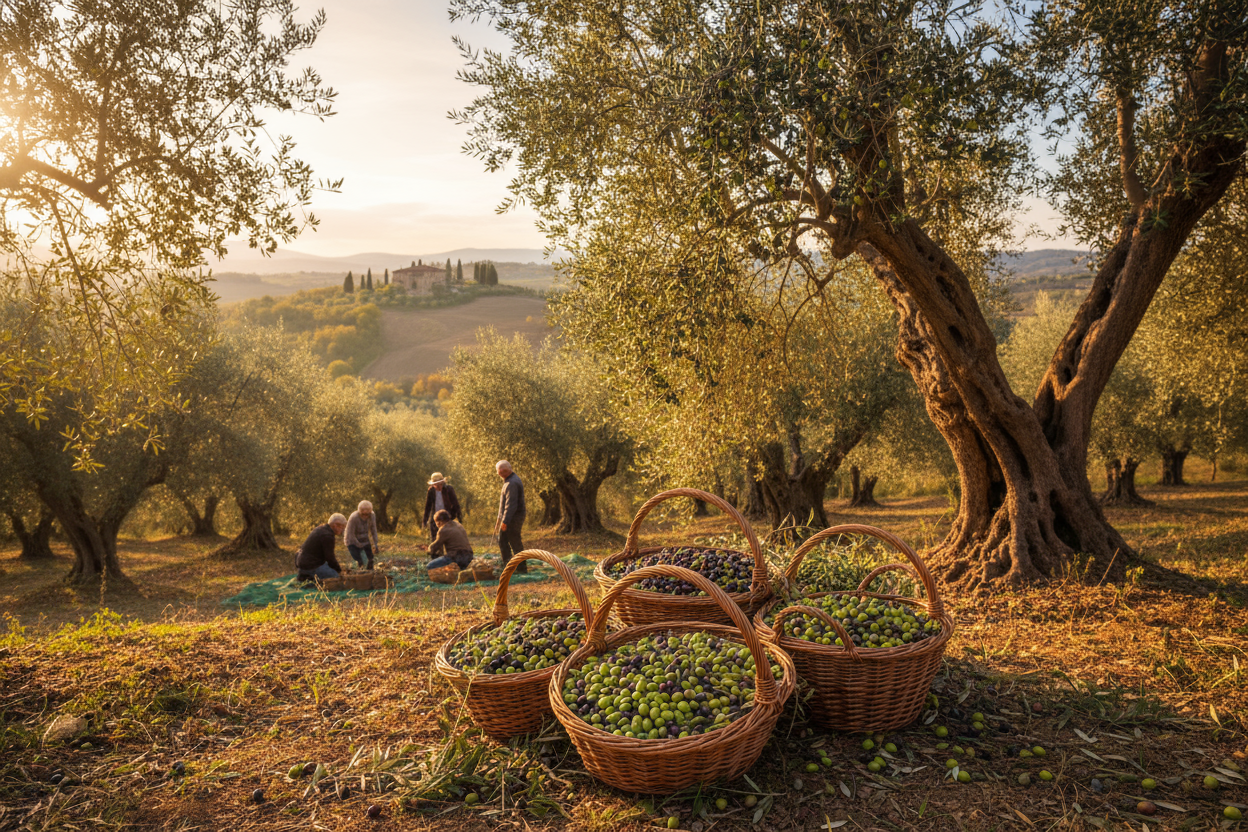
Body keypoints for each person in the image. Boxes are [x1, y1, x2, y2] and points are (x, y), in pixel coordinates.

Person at [495, 460, 527, 574]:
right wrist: (499, 519)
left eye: (504, 470)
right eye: (500, 470)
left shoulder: (511, 483)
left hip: (513, 518)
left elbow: (510, 505)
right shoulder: (509, 481)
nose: (502, 472)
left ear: (510, 469)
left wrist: (505, 522)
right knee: (510, 541)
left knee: (510, 541)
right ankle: (514, 567)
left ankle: (514, 568)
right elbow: (504, 504)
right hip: (512, 517)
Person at [296, 513, 347, 581]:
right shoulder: (328, 535)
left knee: (328, 568)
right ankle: (310, 579)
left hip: (302, 563)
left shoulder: (320, 529)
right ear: (336, 525)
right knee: (335, 577)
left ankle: (304, 575)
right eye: (342, 527)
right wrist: (339, 571)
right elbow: (330, 558)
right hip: (311, 566)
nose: (343, 530)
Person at [422, 472, 462, 542]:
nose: (439, 487)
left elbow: (455, 504)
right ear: (433, 485)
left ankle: (447, 552)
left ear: (443, 483)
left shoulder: (449, 489)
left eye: (440, 484)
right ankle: (436, 552)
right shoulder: (431, 491)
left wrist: (457, 517)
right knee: (435, 539)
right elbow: (428, 507)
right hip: (435, 518)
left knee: (448, 539)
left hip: (446, 517)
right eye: (436, 485)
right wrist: (424, 521)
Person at [345, 500, 381, 570]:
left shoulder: (372, 515)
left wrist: (375, 544)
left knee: (370, 559)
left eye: (367, 513)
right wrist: (359, 546)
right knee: (360, 560)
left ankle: (370, 574)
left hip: (364, 539)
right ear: (359, 511)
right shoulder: (354, 517)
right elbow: (351, 534)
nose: (365, 514)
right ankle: (360, 574)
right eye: (363, 513)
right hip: (352, 541)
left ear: (370, 511)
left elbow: (373, 530)